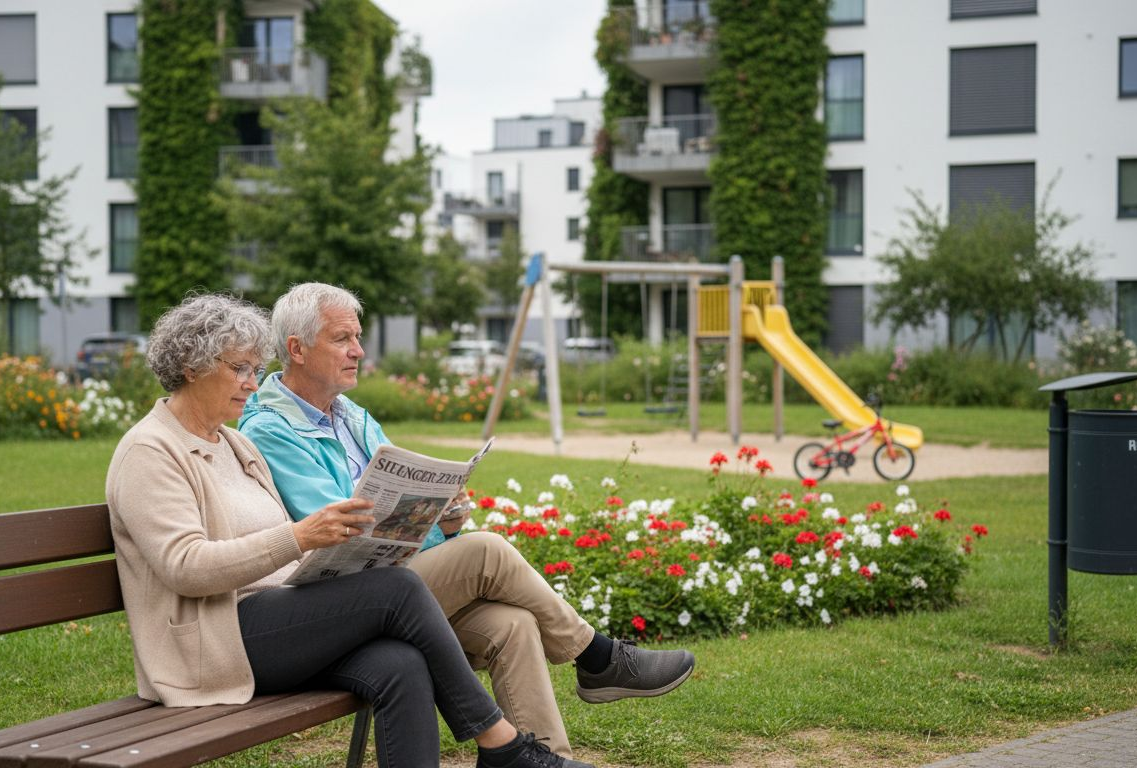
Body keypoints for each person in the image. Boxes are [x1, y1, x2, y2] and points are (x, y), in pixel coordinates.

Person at [105, 294, 594, 768]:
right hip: (217, 641)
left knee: (400, 663)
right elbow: (185, 568)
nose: (252, 383)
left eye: (255, 369)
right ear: (192, 366)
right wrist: (299, 537)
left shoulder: (233, 444)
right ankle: (502, 744)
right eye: (239, 368)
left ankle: (508, 749)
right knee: (397, 587)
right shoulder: (150, 451)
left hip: (279, 622)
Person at [240, 283, 696, 759]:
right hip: (349, 601)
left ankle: (542, 758)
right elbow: (347, 531)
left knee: (513, 625)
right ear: (297, 348)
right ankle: (596, 656)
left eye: (358, 337)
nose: (358, 351)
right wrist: (432, 526)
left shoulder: (353, 417)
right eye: (341, 339)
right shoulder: (270, 430)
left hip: (403, 586)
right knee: (487, 549)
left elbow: (390, 510)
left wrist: (441, 514)